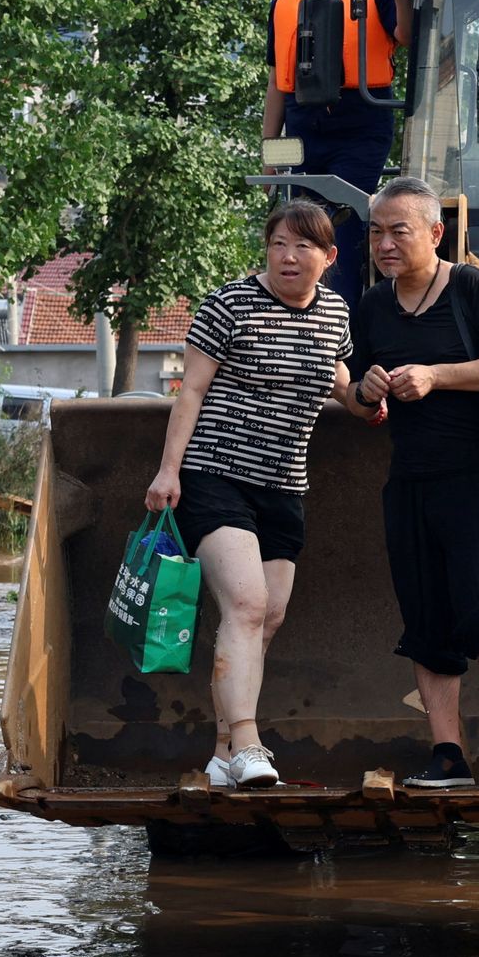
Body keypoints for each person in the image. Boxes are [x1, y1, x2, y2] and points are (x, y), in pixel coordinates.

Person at [144, 201, 354, 789]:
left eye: (304, 246)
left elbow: (335, 376)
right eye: (279, 243)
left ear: (329, 258)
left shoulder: (336, 312)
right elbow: (190, 392)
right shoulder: (229, 303)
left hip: (284, 486)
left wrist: (369, 399)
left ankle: (221, 753)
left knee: (268, 617)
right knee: (246, 604)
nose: (289, 256)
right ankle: (250, 743)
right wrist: (168, 472)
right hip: (215, 476)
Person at [343, 176, 479, 792]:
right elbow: (356, 401)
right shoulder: (373, 306)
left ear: (434, 232)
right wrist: (364, 392)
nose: (384, 244)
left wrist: (436, 375)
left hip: (475, 478)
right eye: (376, 232)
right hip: (409, 482)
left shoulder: (471, 287)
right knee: (426, 623)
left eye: (398, 231)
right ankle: (448, 756)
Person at [263, 0, 413, 307]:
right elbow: (278, 80)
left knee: (338, 228)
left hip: (362, 122)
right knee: (298, 228)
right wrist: (269, 152)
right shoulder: (285, 0)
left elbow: (406, 37)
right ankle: (301, 317)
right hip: (304, 127)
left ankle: (339, 330)